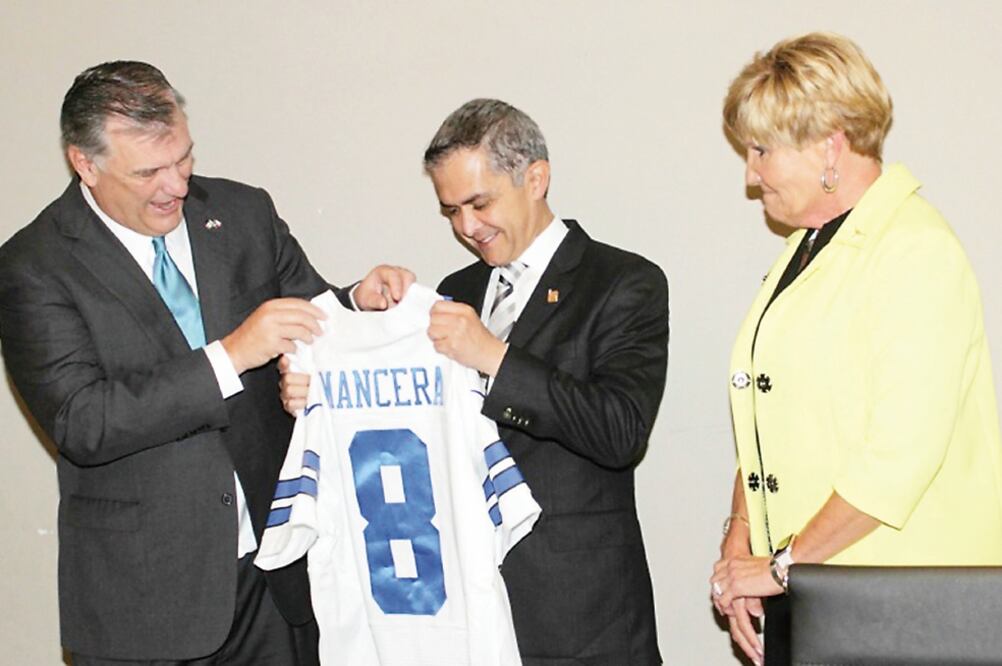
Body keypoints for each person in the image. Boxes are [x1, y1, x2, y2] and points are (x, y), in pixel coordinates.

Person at [0, 61, 411, 665]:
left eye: (183, 158)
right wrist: (232, 354)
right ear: (84, 165)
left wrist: (357, 301)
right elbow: (82, 420)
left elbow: (310, 311)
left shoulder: (243, 213)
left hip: (273, 582)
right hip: (145, 602)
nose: (176, 185)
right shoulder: (33, 265)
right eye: (148, 172)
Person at [281, 98, 669, 663]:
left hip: (579, 611)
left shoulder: (623, 281)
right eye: (451, 211)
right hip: (462, 610)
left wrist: (496, 359)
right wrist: (320, 392)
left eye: (479, 203)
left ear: (535, 178)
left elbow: (620, 430)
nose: (467, 227)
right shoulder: (455, 289)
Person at [710, 32, 1002, 666]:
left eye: (762, 151)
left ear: (829, 146)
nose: (751, 175)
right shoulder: (808, 247)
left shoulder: (913, 247)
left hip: (904, 608)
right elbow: (770, 419)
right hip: (819, 587)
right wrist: (740, 549)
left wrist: (781, 565)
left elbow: (899, 456)